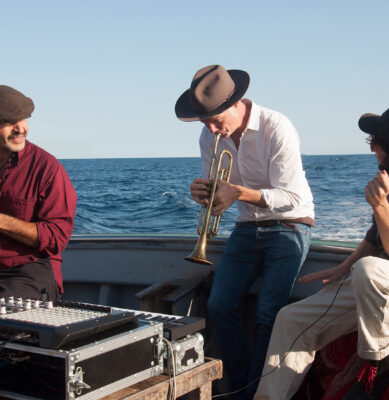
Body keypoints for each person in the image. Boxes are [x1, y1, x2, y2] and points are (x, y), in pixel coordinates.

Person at [175, 65, 315, 399]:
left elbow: (291, 198)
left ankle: (256, 392)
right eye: (204, 121)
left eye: (215, 118)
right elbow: (220, 193)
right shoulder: (209, 135)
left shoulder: (276, 126)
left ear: (236, 103)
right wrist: (207, 196)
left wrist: (235, 192)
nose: (211, 129)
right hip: (246, 227)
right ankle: (236, 386)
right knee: (220, 304)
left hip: (290, 225)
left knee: (269, 314)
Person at [255, 108, 389, 400]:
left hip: (378, 281)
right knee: (290, 319)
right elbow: (373, 238)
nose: (372, 150)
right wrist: (342, 268)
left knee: (369, 270)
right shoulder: (386, 181)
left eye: (376, 143)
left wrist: (380, 207)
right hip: (377, 287)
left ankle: (376, 364)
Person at [0, 85, 77, 302]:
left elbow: (56, 238)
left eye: (23, 119)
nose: (20, 128)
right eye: (8, 121)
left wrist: (2, 222)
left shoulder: (47, 168)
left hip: (27, 271)